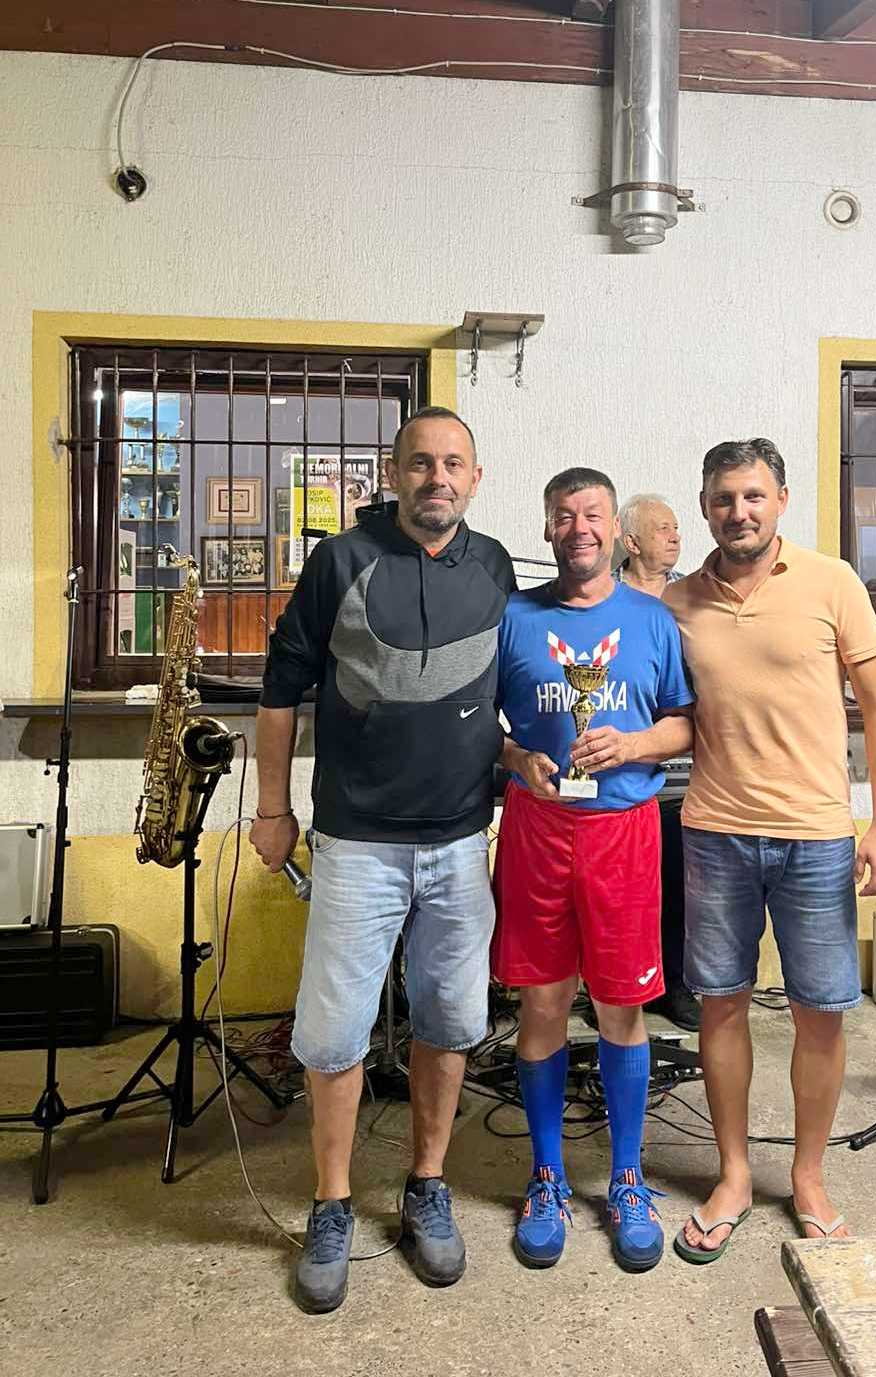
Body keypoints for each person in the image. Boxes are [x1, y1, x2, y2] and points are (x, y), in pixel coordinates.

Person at [250, 406, 514, 1313]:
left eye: (454, 463)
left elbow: (493, 694)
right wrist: (274, 808)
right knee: (333, 1034)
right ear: (394, 473)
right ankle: (331, 1203)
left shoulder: (496, 566)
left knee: (451, 1020)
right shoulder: (339, 561)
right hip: (356, 842)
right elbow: (281, 693)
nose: (438, 478)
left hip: (460, 841)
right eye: (421, 463)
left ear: (475, 477)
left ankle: (427, 1183)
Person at [663, 438, 876, 1262]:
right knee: (720, 1004)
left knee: (820, 1012)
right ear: (706, 508)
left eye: (754, 496)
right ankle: (732, 1174)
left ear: (782, 501)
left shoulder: (833, 582)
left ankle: (807, 1176)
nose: (740, 512)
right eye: (725, 498)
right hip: (715, 831)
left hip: (817, 837)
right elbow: (668, 712)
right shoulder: (676, 603)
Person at [493, 467, 694, 1272]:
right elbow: (480, 727)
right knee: (543, 1004)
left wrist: (634, 743)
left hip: (624, 832)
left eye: (593, 514)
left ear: (615, 530)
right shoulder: (513, 618)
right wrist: (517, 757)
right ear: (547, 528)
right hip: (539, 829)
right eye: (564, 515)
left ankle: (627, 1177)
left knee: (621, 1005)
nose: (579, 528)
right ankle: (546, 1175)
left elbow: (684, 723)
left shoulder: (652, 619)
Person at [614, 493, 698, 1032]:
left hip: (688, 771)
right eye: (663, 528)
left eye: (676, 528)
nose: (675, 537)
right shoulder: (606, 594)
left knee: (681, 888)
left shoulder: (692, 596)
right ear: (631, 541)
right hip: (621, 774)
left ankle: (676, 985)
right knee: (626, 894)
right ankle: (620, 981)